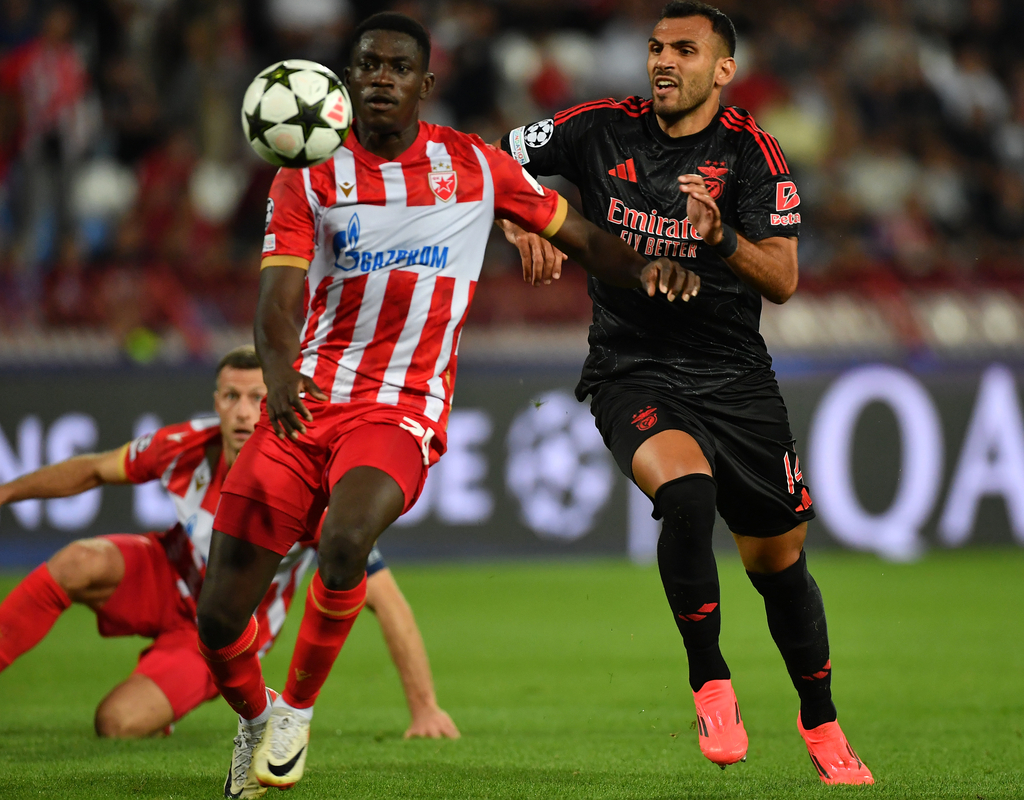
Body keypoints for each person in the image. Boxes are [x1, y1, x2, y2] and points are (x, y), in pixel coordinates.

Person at [192, 12, 699, 798]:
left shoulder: (474, 165)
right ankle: (255, 719)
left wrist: (655, 269)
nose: (382, 78)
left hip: (401, 408)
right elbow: (278, 300)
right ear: (346, 80)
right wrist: (280, 373)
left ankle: (294, 711)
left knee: (346, 538)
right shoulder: (309, 174)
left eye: (398, 67)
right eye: (367, 65)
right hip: (306, 404)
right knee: (220, 619)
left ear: (426, 84)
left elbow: (584, 237)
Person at [498, 1, 873, 785]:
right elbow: (494, 155)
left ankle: (821, 719)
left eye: (685, 50)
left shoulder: (752, 154)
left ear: (723, 70)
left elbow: (786, 279)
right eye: (656, 48)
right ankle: (711, 682)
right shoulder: (598, 127)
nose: (664, 62)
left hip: (734, 375)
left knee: (778, 564)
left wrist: (720, 239)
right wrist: (518, 216)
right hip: (631, 367)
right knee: (687, 494)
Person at [0, 345, 458, 746]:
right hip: (165, 574)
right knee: (78, 560)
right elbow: (96, 469)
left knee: (116, 723)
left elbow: (387, 600)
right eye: (232, 397)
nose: (243, 412)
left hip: (223, 631)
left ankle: (196, 700)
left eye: (258, 398)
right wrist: (7, 492)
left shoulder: (313, 483)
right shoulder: (183, 444)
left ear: (282, 399)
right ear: (216, 401)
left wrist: (425, 709)